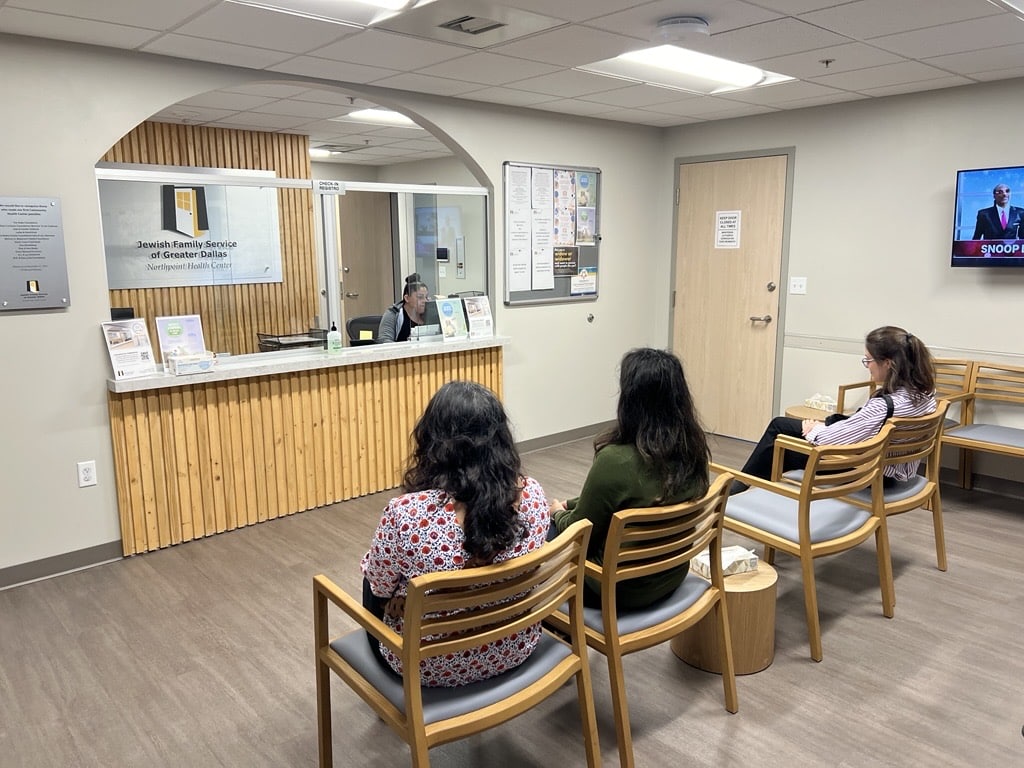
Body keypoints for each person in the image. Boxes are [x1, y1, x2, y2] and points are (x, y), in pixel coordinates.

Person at [360, 380, 551, 687]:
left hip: (427, 667)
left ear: (433, 442)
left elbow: (380, 589)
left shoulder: (405, 513)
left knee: (372, 578)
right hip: (515, 646)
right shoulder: (533, 495)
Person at [548, 348, 710, 610]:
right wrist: (573, 502)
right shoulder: (692, 451)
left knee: (542, 530)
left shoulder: (615, 461)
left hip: (615, 589)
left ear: (631, 400)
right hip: (671, 574)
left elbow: (578, 530)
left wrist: (557, 513)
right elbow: (628, 495)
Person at [731, 325, 937, 494]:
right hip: (896, 469)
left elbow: (830, 441)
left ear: (888, 363)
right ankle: (743, 485)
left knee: (778, 442)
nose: (867, 366)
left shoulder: (883, 406)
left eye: (869, 360)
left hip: (871, 473)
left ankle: (740, 489)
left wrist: (813, 429)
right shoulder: (927, 395)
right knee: (787, 426)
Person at [377, 273, 428, 342]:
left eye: (426, 297)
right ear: (407, 298)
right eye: (420, 297)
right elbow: (384, 340)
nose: (425, 301)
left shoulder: (430, 314)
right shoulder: (393, 314)